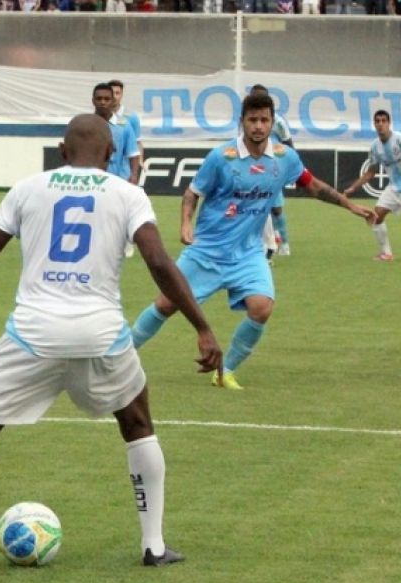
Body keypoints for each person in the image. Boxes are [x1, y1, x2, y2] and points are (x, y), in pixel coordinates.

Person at [0, 114, 222, 578]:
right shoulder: (128, 194)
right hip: (100, 335)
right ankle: (154, 545)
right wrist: (202, 327)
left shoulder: (28, 188)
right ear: (111, 154)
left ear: (62, 151)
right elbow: (159, 262)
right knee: (137, 423)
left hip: (32, 333)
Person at [130, 93, 375, 391]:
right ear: (242, 122)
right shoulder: (221, 157)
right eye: (252, 120)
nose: (258, 126)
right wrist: (185, 224)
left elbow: (312, 186)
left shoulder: (285, 158)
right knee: (166, 304)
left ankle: (226, 372)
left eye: (264, 120)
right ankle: (120, 356)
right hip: (207, 251)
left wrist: (349, 205)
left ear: (272, 123)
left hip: (248, 254)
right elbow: (192, 193)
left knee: (261, 307)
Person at [344, 109, 401, 262]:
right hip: (394, 188)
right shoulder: (375, 147)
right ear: (374, 124)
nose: (380, 124)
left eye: (384, 121)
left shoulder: (398, 139)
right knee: (376, 215)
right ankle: (386, 253)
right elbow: (370, 172)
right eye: (377, 121)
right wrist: (353, 188)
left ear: (389, 123)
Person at [251, 84, 293, 257]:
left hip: (274, 169)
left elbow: (288, 143)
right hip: (253, 168)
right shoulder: (247, 120)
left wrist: (289, 166)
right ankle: (263, 245)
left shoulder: (278, 122)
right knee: (255, 206)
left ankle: (284, 242)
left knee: (276, 208)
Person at [109, 79, 145, 258]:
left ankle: (128, 239)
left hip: (124, 171)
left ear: (122, 95)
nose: (115, 96)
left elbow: (137, 142)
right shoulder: (101, 117)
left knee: (126, 208)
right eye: (112, 93)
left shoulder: (131, 118)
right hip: (107, 170)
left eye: (118, 93)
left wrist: (139, 163)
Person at [92, 83, 139, 185]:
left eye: (106, 99)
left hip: (118, 180)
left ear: (112, 101)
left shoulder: (124, 126)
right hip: (92, 181)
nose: (102, 102)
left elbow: (133, 154)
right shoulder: (86, 124)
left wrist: (134, 175)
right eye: (99, 99)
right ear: (93, 100)